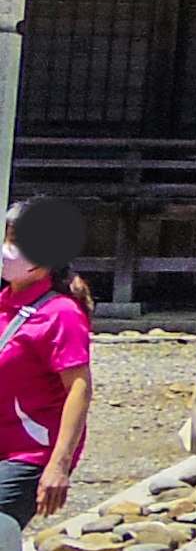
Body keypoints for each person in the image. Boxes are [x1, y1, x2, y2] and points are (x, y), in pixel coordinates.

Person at [0, 197, 94, 532]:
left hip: (28, 454)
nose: (6, 250)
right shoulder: (4, 304)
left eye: (14, 242)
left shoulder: (60, 314)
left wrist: (59, 463)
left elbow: (79, 389)